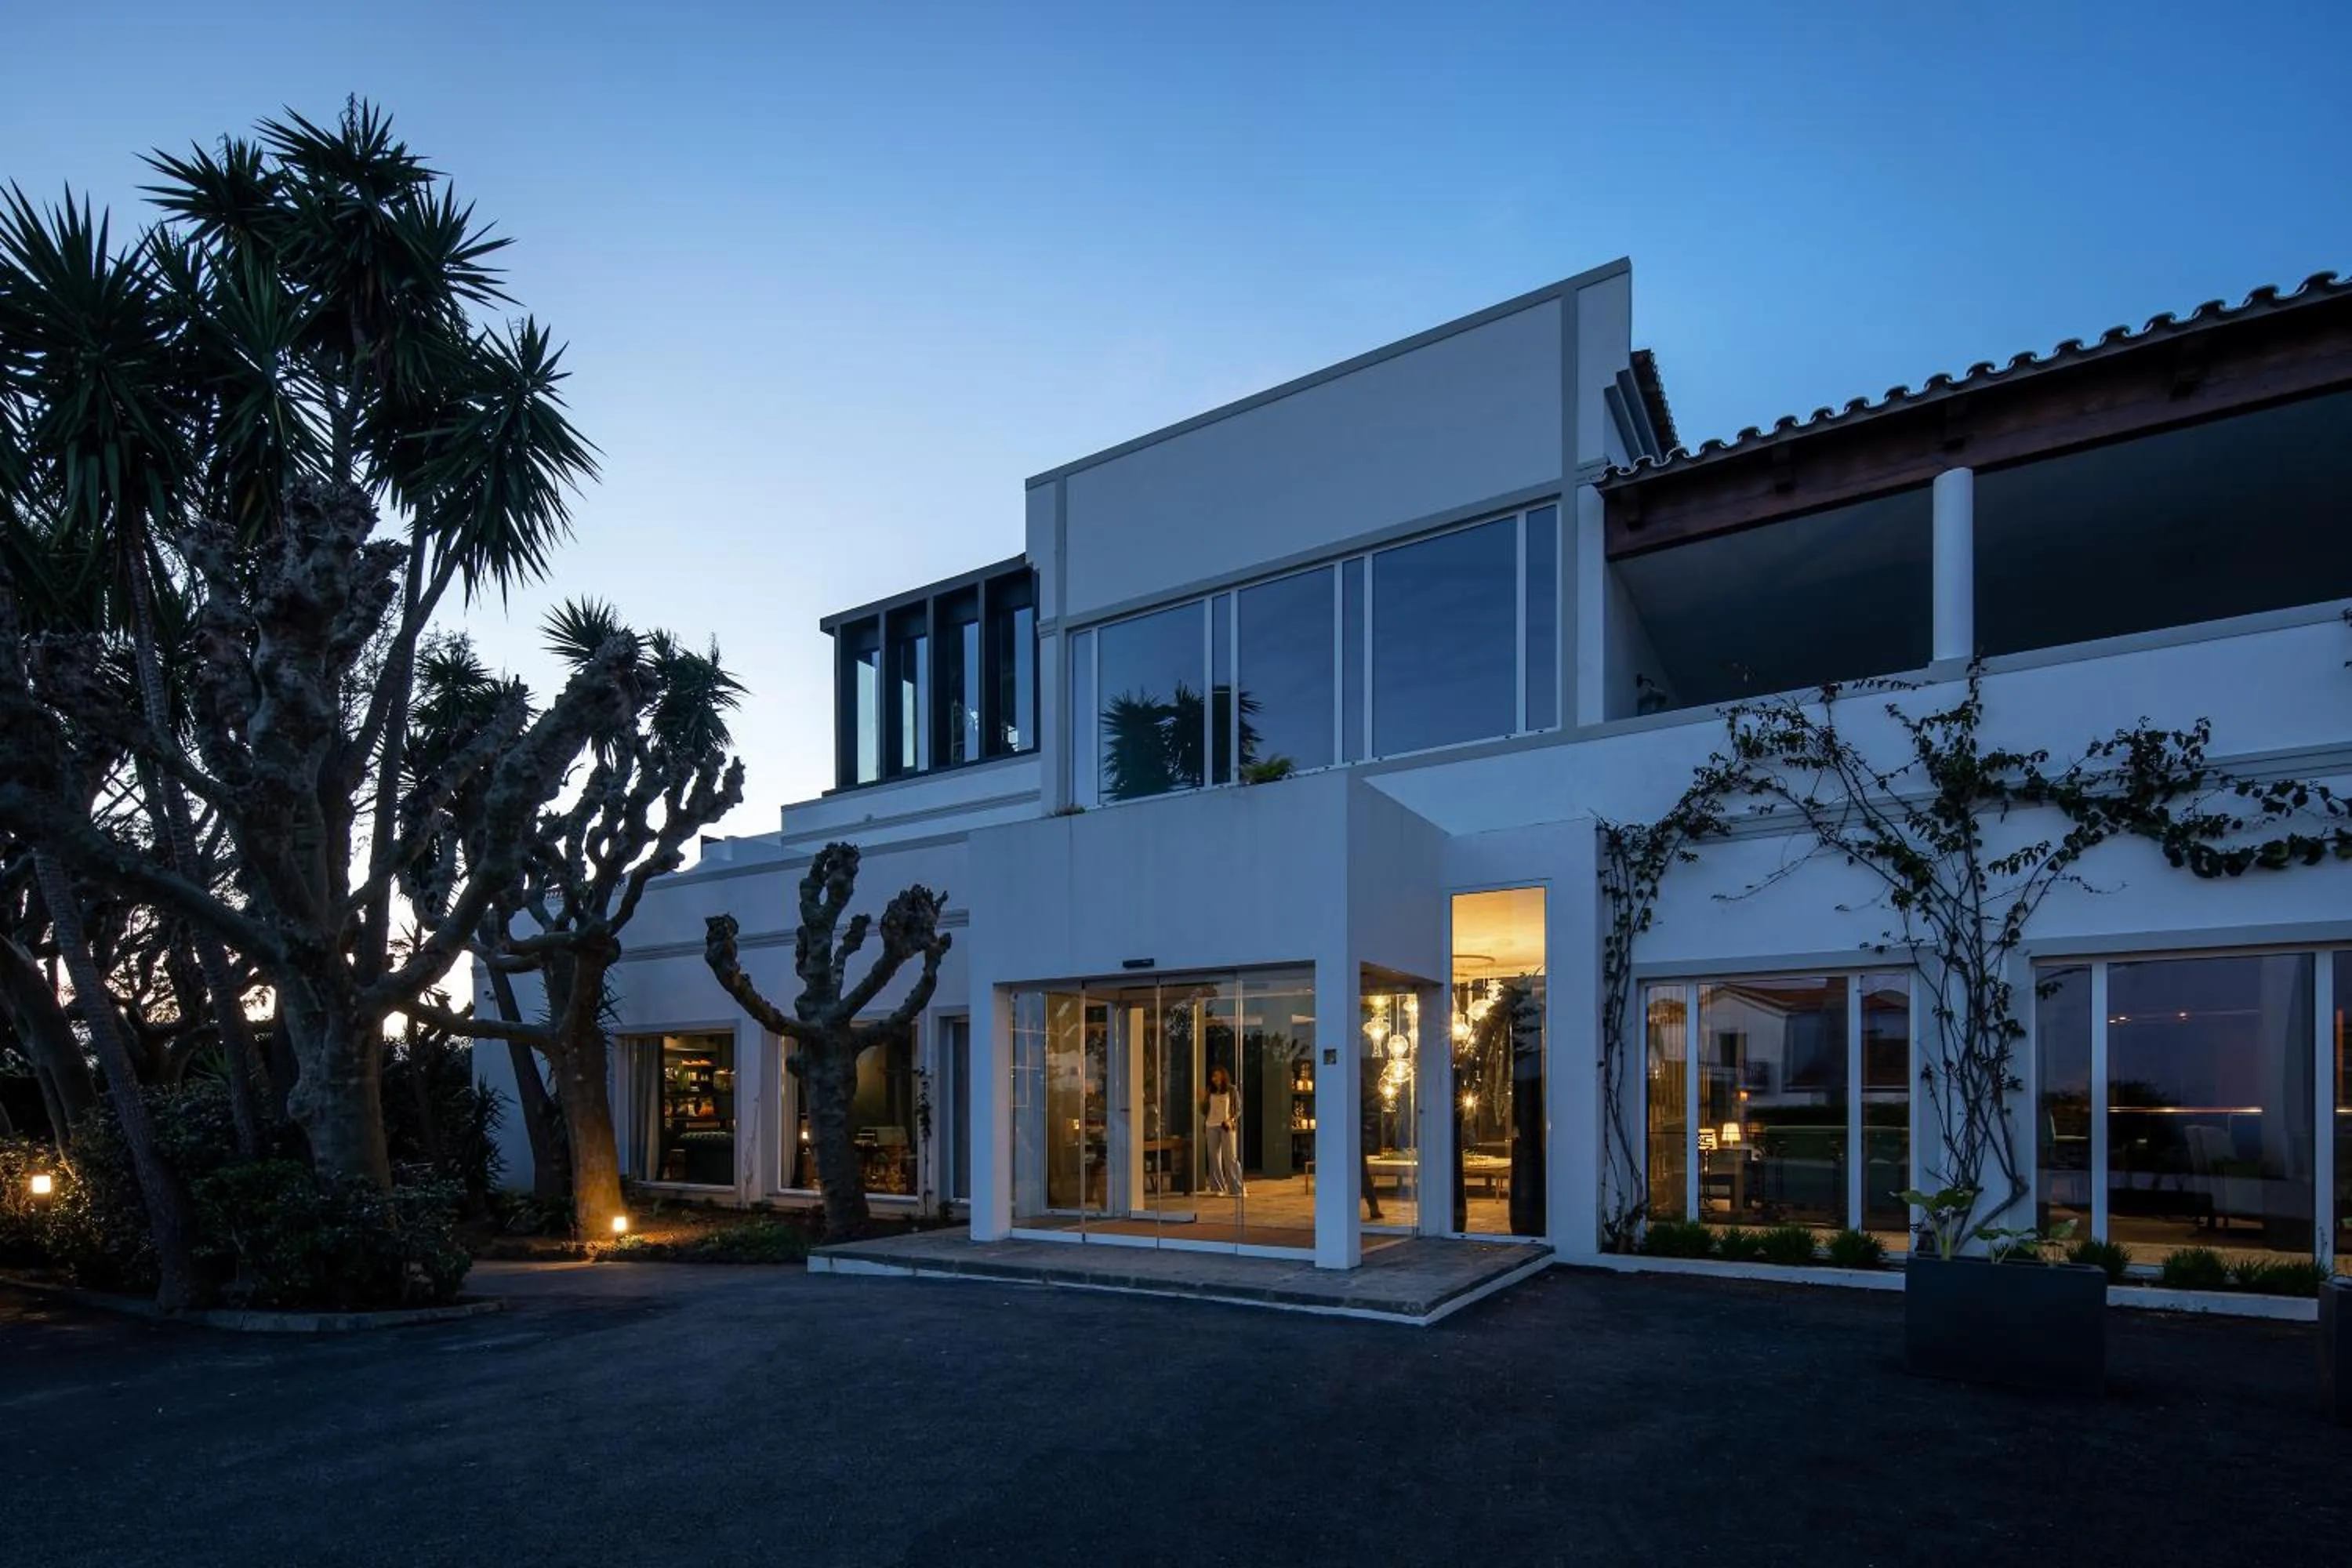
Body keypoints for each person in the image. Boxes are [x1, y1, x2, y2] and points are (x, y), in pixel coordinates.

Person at [1203, 1065, 1244, 1197]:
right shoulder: (1210, 1091)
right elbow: (1205, 1110)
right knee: (1213, 1157)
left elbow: (1238, 1109)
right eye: (1213, 1076)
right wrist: (1202, 1101)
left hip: (1226, 1126)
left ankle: (1237, 1188)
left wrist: (1231, 1119)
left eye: (1217, 1075)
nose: (1215, 1078)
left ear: (1223, 1076)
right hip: (1211, 1125)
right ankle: (1217, 1187)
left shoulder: (1232, 1090)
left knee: (1230, 1157)